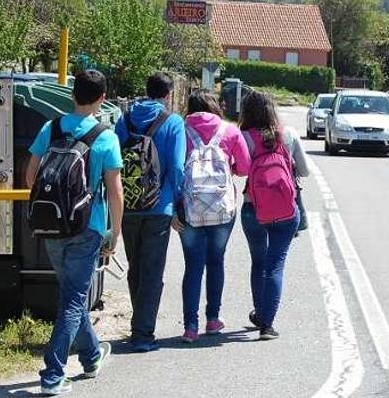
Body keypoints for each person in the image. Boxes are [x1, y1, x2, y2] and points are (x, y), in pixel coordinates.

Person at [26, 70, 124, 396]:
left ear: (73, 94)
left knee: (72, 294)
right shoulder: (105, 136)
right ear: (101, 98)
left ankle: (92, 354)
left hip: (51, 224)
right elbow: (115, 192)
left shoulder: (50, 127)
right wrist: (115, 232)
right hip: (88, 227)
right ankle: (53, 375)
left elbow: (30, 177)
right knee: (72, 300)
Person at [114, 72, 186, 353]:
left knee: (136, 267)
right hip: (159, 205)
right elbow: (178, 167)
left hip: (129, 204)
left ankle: (138, 322)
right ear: (168, 94)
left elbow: (116, 158)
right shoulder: (173, 122)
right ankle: (143, 333)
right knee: (153, 270)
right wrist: (177, 200)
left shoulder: (125, 118)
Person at [173, 90, 250, 343]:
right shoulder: (230, 131)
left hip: (189, 208)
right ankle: (213, 319)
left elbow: (172, 169)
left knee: (192, 265)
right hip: (222, 208)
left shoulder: (180, 129)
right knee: (216, 260)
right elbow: (245, 166)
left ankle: (190, 327)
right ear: (215, 106)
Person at [240, 91, 308, 340]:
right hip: (285, 210)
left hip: (253, 208)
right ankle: (266, 325)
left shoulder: (244, 137)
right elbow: (305, 171)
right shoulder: (287, 134)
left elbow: (238, 169)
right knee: (275, 264)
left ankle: (259, 312)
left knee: (259, 262)